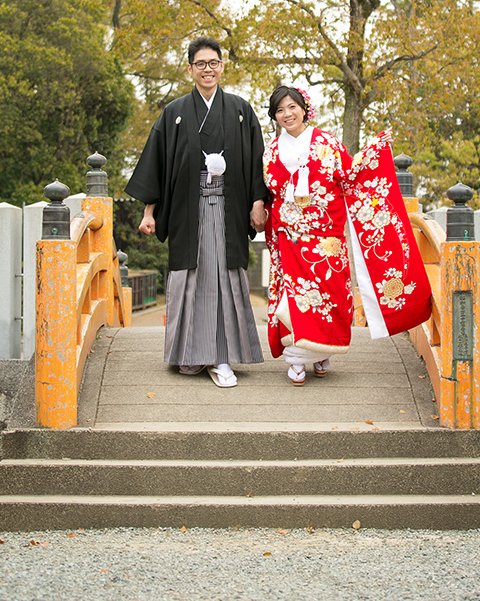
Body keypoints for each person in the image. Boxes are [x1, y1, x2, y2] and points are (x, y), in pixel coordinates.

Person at [263, 85, 432, 386]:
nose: (287, 114)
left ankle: (320, 350)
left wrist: (375, 149)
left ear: (304, 109)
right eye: (280, 110)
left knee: (329, 294)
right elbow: (269, 190)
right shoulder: (272, 150)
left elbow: (351, 172)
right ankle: (298, 357)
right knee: (294, 294)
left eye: (291, 107)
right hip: (288, 234)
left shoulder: (326, 143)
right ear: (275, 116)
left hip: (325, 236)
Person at [126, 35, 266, 387]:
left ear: (222, 66)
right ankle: (189, 354)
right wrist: (149, 212)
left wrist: (258, 202)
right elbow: (156, 165)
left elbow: (256, 161)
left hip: (228, 208)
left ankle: (220, 357)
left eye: (213, 63)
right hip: (189, 210)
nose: (208, 69)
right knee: (190, 280)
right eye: (200, 64)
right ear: (190, 68)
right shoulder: (174, 113)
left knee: (222, 278)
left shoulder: (239, 110)